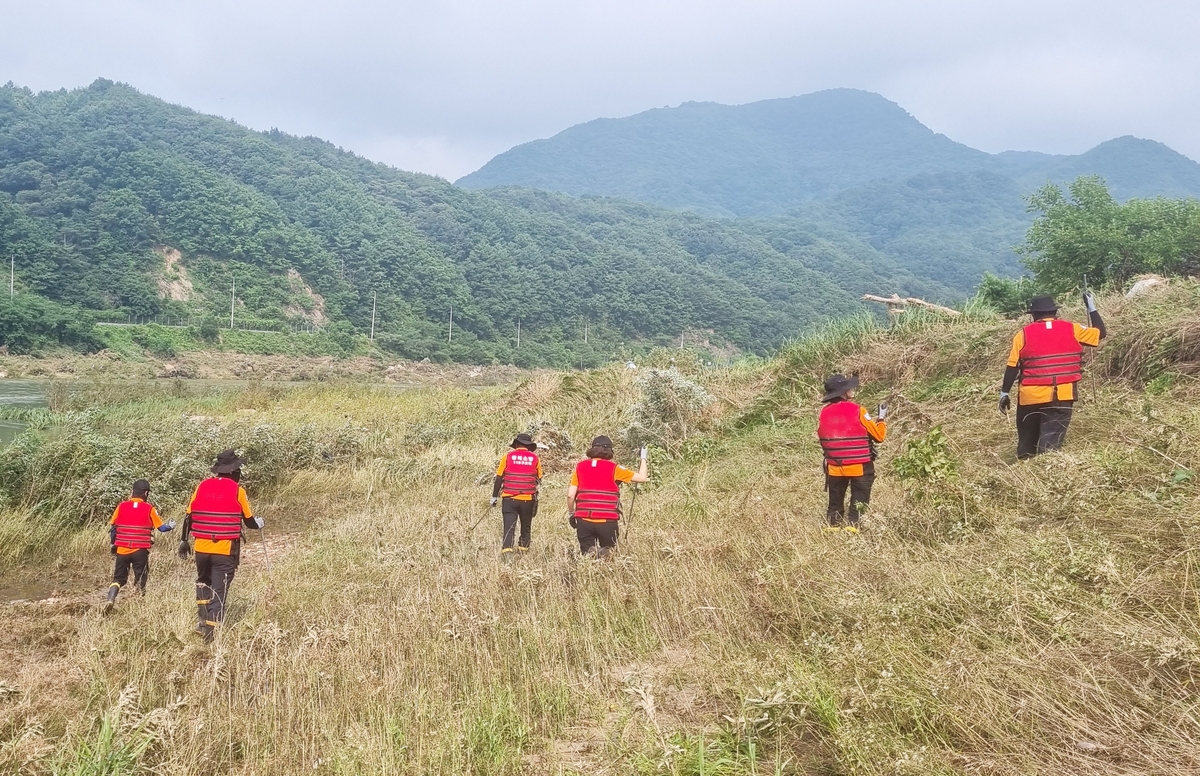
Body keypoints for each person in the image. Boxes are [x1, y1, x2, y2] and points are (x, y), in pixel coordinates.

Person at [998, 293, 1106, 459]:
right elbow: (1101, 333)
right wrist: (1091, 307)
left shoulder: (1023, 334)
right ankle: (1045, 472)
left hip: (1030, 398)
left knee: (1027, 444)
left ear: (1034, 315)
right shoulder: (1073, 329)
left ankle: (1026, 474)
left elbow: (1012, 366)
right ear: (1055, 313)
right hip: (1061, 395)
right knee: (1049, 445)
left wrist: (1004, 393)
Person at [177, 449, 261, 642]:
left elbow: (188, 516)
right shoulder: (238, 491)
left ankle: (201, 623)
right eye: (238, 468)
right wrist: (259, 523)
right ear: (233, 471)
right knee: (219, 592)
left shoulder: (202, 486)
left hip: (201, 549)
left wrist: (183, 540)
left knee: (203, 582)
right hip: (224, 550)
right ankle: (210, 638)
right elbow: (248, 521)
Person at [817, 374, 887, 533]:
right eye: (849, 387)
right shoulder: (858, 410)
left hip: (835, 467)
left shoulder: (824, 413)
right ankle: (853, 528)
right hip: (860, 467)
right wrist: (881, 418)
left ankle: (832, 529)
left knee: (834, 503)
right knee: (859, 500)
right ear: (843, 392)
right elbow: (879, 437)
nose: (852, 389)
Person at [566, 436, 649, 558]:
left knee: (587, 557)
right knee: (609, 555)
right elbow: (642, 478)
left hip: (584, 520)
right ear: (610, 451)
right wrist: (643, 458)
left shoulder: (580, 467)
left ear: (592, 450)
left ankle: (589, 573)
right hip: (607, 522)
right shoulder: (615, 468)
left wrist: (571, 513)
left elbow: (570, 495)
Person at [104, 479, 175, 610]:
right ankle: (138, 606)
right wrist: (171, 526)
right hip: (140, 551)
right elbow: (162, 528)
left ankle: (110, 599)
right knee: (141, 578)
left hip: (122, 550)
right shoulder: (149, 509)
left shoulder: (121, 506)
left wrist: (112, 544)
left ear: (132, 492)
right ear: (146, 493)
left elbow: (113, 528)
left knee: (118, 579)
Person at [491, 433, 544, 556]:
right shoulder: (535, 458)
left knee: (509, 528)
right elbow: (539, 478)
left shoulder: (508, 456)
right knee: (526, 527)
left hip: (509, 498)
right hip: (528, 499)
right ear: (529, 446)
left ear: (516, 444)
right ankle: (523, 553)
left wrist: (494, 496)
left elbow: (499, 477)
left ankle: (507, 555)